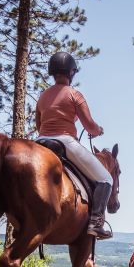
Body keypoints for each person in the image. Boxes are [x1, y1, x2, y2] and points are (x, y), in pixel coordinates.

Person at [35, 51, 113, 239]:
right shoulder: (75, 94)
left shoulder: (43, 96)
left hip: (40, 142)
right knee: (106, 179)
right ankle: (96, 222)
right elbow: (89, 126)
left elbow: (38, 125)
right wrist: (98, 130)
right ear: (72, 72)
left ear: (52, 72)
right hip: (65, 141)